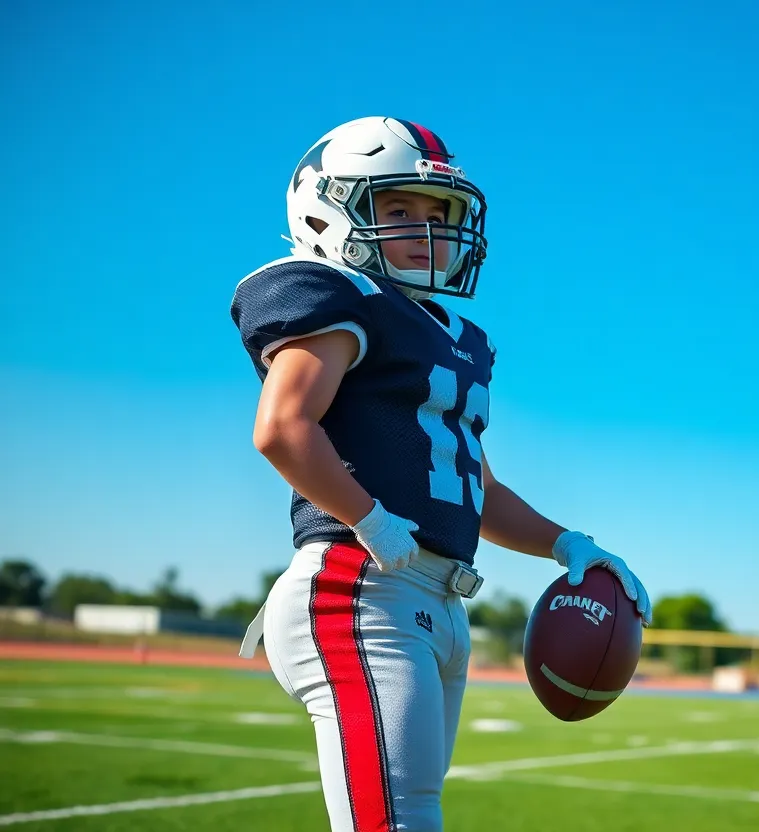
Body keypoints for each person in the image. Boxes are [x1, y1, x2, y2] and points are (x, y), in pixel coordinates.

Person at [230, 116, 653, 832]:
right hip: (359, 586)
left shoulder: (453, 338)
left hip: (436, 601)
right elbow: (282, 428)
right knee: (394, 821)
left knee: (411, 812)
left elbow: (473, 486)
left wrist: (568, 544)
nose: (425, 230)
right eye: (398, 210)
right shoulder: (337, 295)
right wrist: (367, 517)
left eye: (437, 214)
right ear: (328, 209)